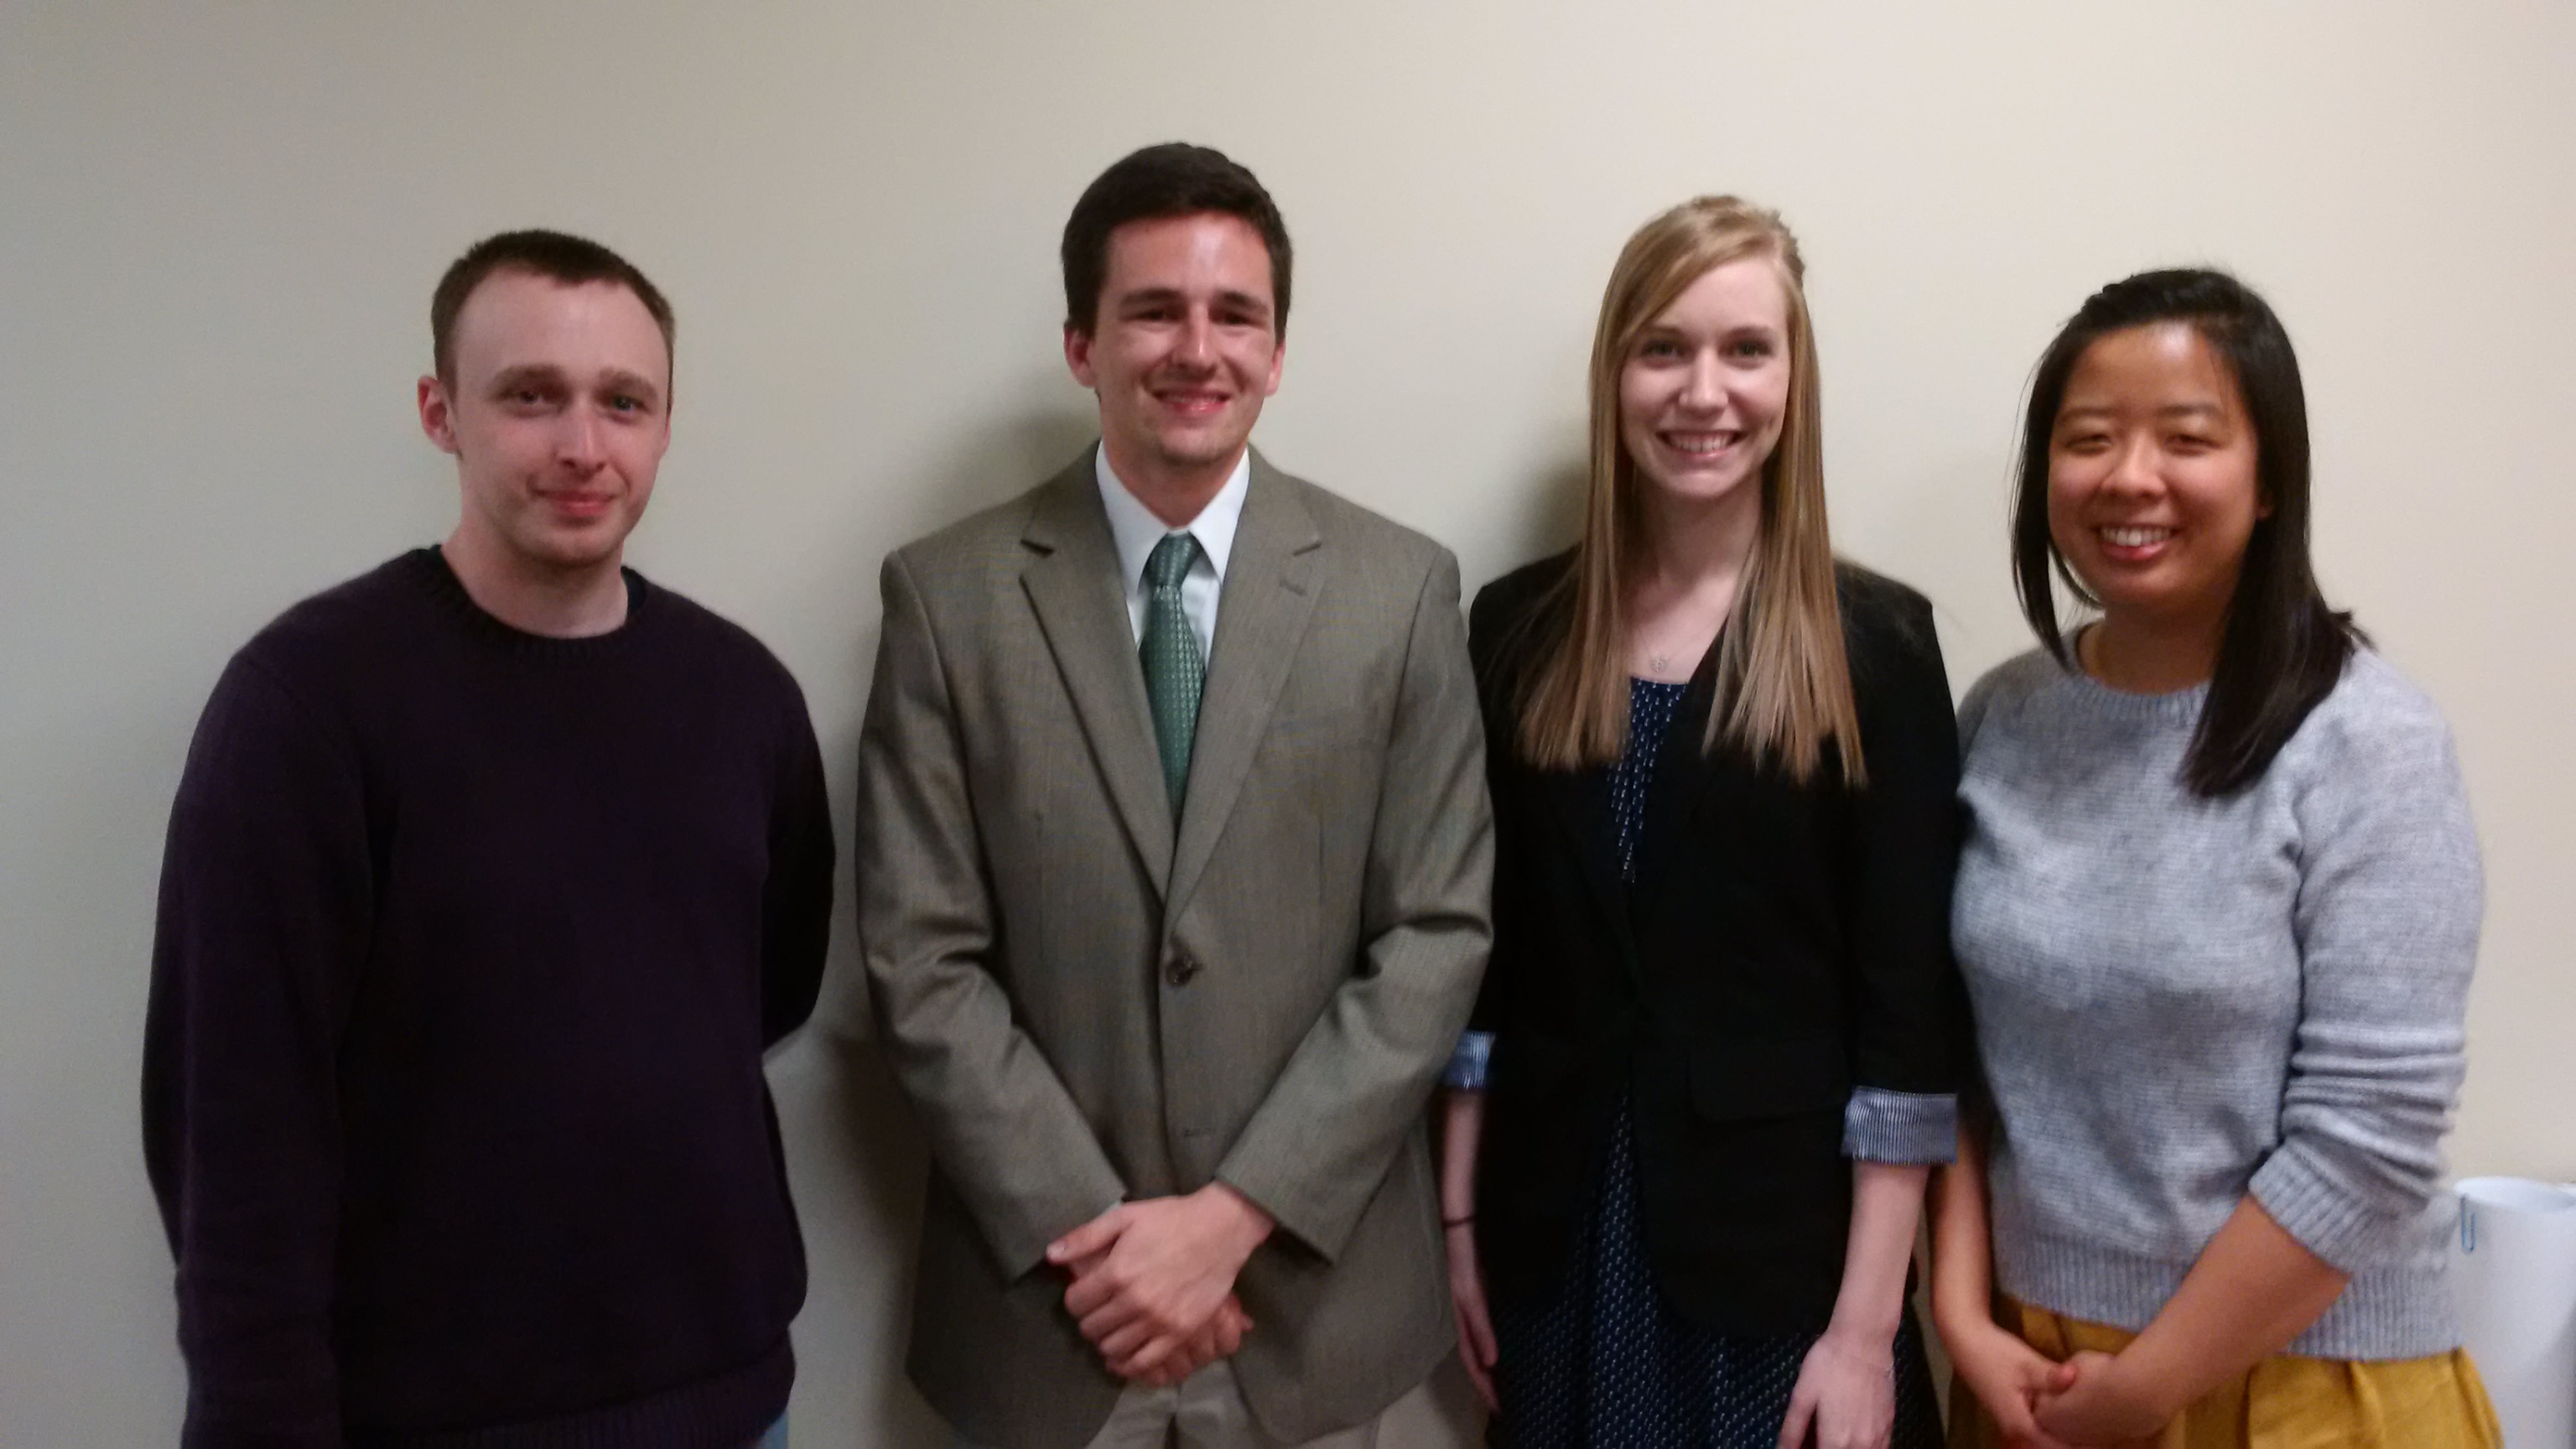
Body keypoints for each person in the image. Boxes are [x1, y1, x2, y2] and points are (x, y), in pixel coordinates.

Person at [141, 230, 833, 1448]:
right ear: (440, 412)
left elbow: (759, 995)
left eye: (624, 402)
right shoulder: (308, 707)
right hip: (420, 1417)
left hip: (728, 1402)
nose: (582, 445)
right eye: (530, 397)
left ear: (666, 425)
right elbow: (233, 1127)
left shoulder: (745, 700)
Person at [855, 142, 1493, 1449]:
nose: (1196, 348)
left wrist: (1230, 1222)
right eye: (1154, 310)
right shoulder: (947, 598)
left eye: (1234, 315)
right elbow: (922, 962)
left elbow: (1437, 934)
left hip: (1304, 1319)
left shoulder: (1400, 589)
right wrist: (1109, 1251)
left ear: (1276, 349)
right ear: (1083, 343)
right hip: (1055, 1319)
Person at [1931, 267, 2500, 1447]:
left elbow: (2370, 1136)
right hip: (2029, 1375)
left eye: (2186, 438)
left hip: (2305, 1388)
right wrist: (1958, 1309)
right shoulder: (2004, 718)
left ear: (2269, 478)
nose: (2131, 477)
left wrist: (2146, 1391)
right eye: (2090, 439)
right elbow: (1958, 1055)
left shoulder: (2367, 740)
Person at [1441, 195, 1966, 1449]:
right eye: (1663, 348)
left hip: (1777, 1277)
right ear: (1614, 373)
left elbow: (1907, 1027)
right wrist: (1457, 1224)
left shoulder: (1874, 649)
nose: (1704, 391)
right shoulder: (1517, 630)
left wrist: (1864, 1331)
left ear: (1796, 378)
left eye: (1746, 350)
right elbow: (1486, 968)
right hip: (1555, 1249)